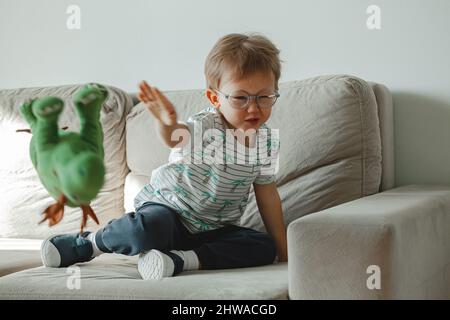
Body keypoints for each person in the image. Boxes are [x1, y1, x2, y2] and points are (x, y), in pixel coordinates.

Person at [40, 33, 287, 280]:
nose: (254, 107)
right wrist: (166, 122)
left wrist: (283, 250)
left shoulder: (265, 143)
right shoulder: (205, 126)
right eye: (241, 98)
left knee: (262, 246)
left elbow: (267, 196)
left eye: (264, 97)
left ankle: (180, 260)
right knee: (145, 230)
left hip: (214, 229)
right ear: (215, 98)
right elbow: (174, 136)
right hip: (170, 212)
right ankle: (89, 244)